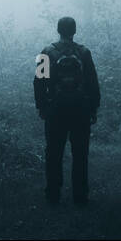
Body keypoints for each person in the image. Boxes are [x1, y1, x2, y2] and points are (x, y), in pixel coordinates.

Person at [34, 16, 100, 206]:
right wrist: (93, 108)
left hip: (55, 111)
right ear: (75, 31)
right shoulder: (84, 52)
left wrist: (42, 107)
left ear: (58, 30)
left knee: (53, 153)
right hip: (81, 110)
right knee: (80, 154)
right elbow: (92, 83)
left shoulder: (46, 52)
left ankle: (53, 195)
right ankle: (80, 196)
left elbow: (38, 83)